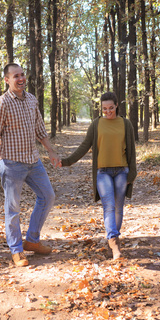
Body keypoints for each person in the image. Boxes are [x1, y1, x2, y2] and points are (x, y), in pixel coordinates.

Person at [0, 63, 61, 267]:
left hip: (33, 161)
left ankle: (32, 241)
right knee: (13, 208)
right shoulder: (1, 104)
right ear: (7, 80)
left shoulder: (31, 100)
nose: (20, 79)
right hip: (11, 163)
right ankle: (16, 250)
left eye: (22, 74)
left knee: (48, 196)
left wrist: (51, 151)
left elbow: (40, 130)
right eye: (15, 76)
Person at [61, 92, 136, 259]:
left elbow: (132, 150)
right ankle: (114, 242)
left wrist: (133, 172)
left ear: (117, 105)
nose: (108, 111)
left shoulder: (126, 124)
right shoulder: (96, 124)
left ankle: (114, 237)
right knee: (108, 206)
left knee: (118, 208)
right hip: (102, 172)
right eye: (104, 109)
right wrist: (66, 161)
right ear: (101, 108)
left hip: (122, 171)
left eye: (110, 108)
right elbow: (84, 146)